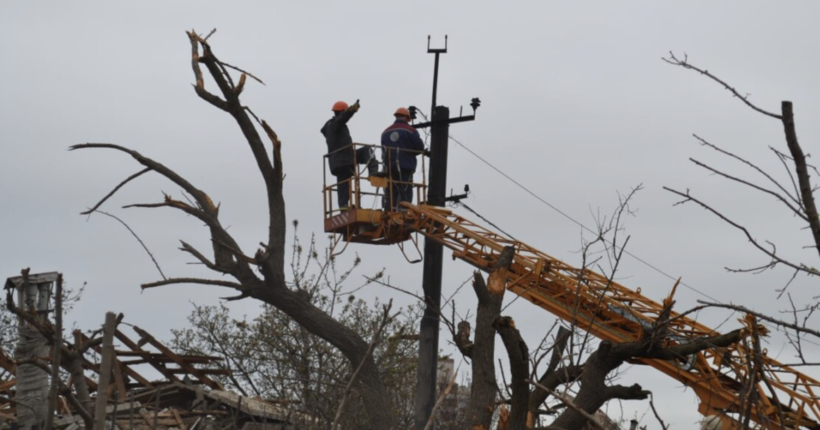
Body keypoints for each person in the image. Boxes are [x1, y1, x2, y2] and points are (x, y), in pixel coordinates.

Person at [381, 107, 425, 211]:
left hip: (389, 168)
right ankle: (404, 210)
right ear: (407, 117)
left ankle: (390, 210)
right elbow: (419, 147)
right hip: (405, 166)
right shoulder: (410, 131)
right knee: (405, 190)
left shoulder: (385, 132)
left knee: (392, 191)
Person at [321, 100, 360, 210]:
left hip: (343, 158)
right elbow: (343, 118)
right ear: (342, 112)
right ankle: (343, 204)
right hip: (342, 159)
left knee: (343, 182)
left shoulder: (332, 127)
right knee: (343, 182)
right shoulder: (335, 123)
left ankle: (343, 205)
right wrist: (351, 110)